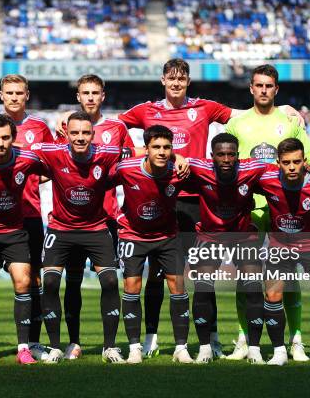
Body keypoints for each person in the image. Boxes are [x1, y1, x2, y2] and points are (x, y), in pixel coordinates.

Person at [58, 59, 302, 357]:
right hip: (159, 198)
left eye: (181, 78)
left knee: (202, 274)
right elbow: (111, 125)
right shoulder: (146, 110)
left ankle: (209, 337)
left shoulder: (205, 107)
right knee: (158, 275)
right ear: (163, 81)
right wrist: (73, 122)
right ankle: (150, 337)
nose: (176, 83)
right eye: (171, 78)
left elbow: (242, 113)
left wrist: (283, 108)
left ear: (188, 81)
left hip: (196, 201)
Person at [225, 64, 310, 361]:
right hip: (250, 210)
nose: (264, 90)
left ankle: (295, 339)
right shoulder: (237, 124)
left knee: (288, 278)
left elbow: (309, 155)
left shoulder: (290, 121)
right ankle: (244, 339)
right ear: (251, 88)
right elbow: (227, 163)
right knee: (246, 278)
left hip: (286, 210)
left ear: (276, 89)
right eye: (259, 85)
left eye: (269, 85)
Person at [32, 111, 141, 364]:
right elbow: (20, 149)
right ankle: (56, 347)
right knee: (49, 284)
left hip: (96, 229)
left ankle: (110, 347)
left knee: (112, 282)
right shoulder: (52, 151)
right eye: (75, 133)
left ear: (93, 134)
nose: (80, 138)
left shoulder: (107, 152)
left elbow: (139, 152)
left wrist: (178, 155)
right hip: (61, 230)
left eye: (85, 133)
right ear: (66, 134)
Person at [0, 74, 53, 360]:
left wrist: (32, 179)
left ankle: (33, 343)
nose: (14, 97)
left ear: (27, 95)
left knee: (32, 281)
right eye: (9, 93)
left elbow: (52, 163)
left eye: (19, 92)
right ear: (1, 95)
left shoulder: (40, 127)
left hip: (27, 214)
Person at [55, 74, 134, 360]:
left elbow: (130, 169)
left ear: (104, 96)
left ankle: (109, 344)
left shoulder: (117, 128)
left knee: (110, 282)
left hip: (106, 220)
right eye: (85, 92)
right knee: (72, 282)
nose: (90, 97)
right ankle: (73, 342)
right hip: (71, 221)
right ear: (78, 96)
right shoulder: (65, 128)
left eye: (95, 92)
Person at [257, 138, 310, 366]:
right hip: (279, 246)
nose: (292, 167)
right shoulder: (266, 178)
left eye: (297, 161)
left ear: (305, 161)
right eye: (286, 162)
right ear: (278, 163)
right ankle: (278, 352)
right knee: (272, 296)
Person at [109, 125, 192, 364]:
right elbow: (100, 181)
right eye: (156, 147)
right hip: (132, 235)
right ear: (145, 149)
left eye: (167, 147)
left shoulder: (180, 172)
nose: (162, 152)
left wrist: (182, 157)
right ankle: (135, 348)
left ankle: (181, 348)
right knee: (132, 287)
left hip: (167, 236)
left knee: (178, 287)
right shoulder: (126, 169)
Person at [185, 133, 268, 364]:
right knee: (202, 287)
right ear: (212, 157)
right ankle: (205, 347)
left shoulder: (252, 168)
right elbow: (175, 160)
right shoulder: (200, 167)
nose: (226, 159)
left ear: (238, 157)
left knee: (253, 288)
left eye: (231, 154)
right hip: (210, 236)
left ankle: (254, 349)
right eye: (221, 154)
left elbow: (279, 168)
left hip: (243, 235)